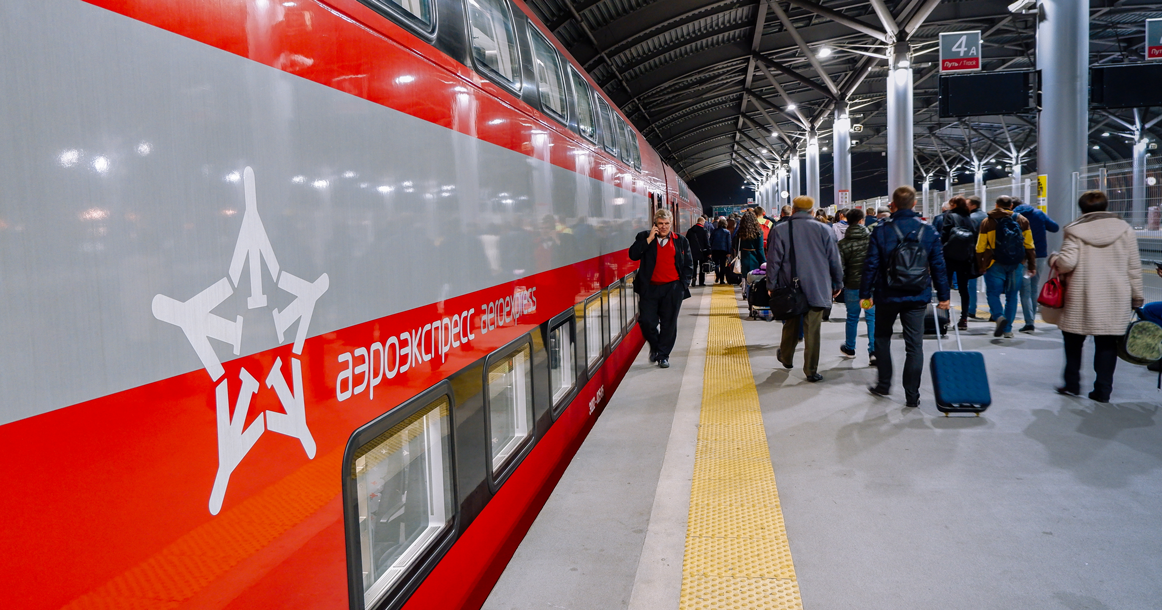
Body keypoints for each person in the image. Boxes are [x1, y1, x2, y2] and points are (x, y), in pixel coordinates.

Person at [860, 186, 951, 408]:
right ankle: (912, 394)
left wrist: (865, 294)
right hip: (917, 295)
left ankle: (883, 384)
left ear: (893, 204)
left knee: (882, 339)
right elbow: (938, 266)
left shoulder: (882, 230)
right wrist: (944, 296)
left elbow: (871, 264)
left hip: (887, 294)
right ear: (914, 203)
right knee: (914, 345)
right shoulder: (928, 230)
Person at [1050, 191, 1144, 402]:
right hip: (1115, 296)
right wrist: (1137, 297)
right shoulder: (1125, 230)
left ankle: (1072, 384)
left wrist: (1053, 259)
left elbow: (1067, 263)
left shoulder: (1074, 230)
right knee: (1107, 343)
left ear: (1082, 208)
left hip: (1081, 294)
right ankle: (1102, 390)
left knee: (1073, 341)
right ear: (1105, 206)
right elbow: (1134, 267)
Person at [765, 196, 844, 382]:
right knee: (813, 330)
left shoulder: (780, 229)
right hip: (818, 286)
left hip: (791, 286)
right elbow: (834, 260)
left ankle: (786, 357)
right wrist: (837, 283)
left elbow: (773, 261)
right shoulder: (825, 229)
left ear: (793, 210)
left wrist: (771, 285)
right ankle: (811, 370)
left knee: (791, 323)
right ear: (812, 211)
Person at [629, 208, 694, 369]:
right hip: (649, 288)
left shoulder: (680, 240)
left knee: (668, 324)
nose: (663, 226)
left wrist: (682, 285)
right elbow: (633, 255)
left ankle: (663, 355)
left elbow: (688, 264)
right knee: (646, 321)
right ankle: (656, 346)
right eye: (660, 223)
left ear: (671, 224)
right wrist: (649, 239)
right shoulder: (644, 237)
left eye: (666, 223)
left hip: (672, 289)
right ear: (655, 224)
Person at [976, 196, 1036, 338]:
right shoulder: (1022, 220)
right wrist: (1031, 265)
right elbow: (1029, 245)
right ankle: (1008, 330)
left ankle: (999, 316)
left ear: (996, 205)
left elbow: (980, 247)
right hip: (1016, 264)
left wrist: (981, 265)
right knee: (1012, 296)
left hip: (994, 263)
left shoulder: (988, 221)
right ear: (1011, 206)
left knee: (993, 293)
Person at [1012, 198, 1061, 332]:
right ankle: (1032, 319)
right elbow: (1055, 227)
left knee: (1025, 291)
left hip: (1022, 257)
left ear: (1012, 206)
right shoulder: (1038, 214)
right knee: (1034, 288)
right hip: (1039, 255)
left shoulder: (1014, 216)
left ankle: (1029, 323)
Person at [838, 208, 875, 364]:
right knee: (871, 317)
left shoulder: (842, 244)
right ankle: (873, 351)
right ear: (861, 220)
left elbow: (840, 268)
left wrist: (841, 284)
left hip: (852, 287)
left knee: (852, 317)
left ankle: (850, 348)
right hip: (869, 288)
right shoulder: (871, 241)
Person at [940, 196, 978, 330]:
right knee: (963, 289)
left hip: (950, 257)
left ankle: (946, 316)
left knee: (946, 287)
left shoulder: (950, 216)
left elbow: (944, 235)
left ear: (954, 204)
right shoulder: (970, 219)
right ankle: (964, 318)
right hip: (965, 258)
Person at [965, 195, 987, 319]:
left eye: (967, 204)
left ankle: (971, 309)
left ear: (973, 205)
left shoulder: (971, 218)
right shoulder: (987, 217)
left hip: (973, 254)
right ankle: (995, 312)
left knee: (971, 283)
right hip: (989, 255)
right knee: (991, 286)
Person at [737, 211, 766, 277]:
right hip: (755, 259)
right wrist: (763, 261)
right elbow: (760, 249)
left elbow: (737, 246)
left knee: (745, 277)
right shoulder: (758, 232)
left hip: (743, 258)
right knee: (754, 278)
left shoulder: (740, 232)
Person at [685, 216, 712, 287]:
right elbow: (707, 242)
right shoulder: (704, 230)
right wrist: (709, 252)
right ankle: (701, 282)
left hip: (692, 251)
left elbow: (686, 241)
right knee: (702, 266)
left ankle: (693, 278)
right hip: (702, 252)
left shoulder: (690, 230)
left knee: (694, 266)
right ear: (702, 222)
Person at [709, 219, 732, 284]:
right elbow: (729, 243)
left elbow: (710, 241)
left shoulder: (714, 231)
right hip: (723, 250)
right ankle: (722, 280)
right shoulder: (727, 232)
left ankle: (717, 275)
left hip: (715, 249)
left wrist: (710, 250)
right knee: (722, 265)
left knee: (716, 264)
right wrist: (729, 252)